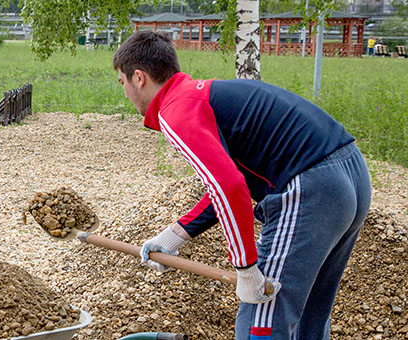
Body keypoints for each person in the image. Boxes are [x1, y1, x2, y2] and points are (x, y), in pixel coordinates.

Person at [115, 31, 370, 339]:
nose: (125, 92)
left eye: (122, 82)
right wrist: (175, 235)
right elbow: (234, 179)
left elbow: (229, 187)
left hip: (311, 188)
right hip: (350, 177)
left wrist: (246, 267)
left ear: (139, 77)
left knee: (260, 323)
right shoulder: (202, 96)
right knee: (308, 320)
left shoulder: (176, 110)